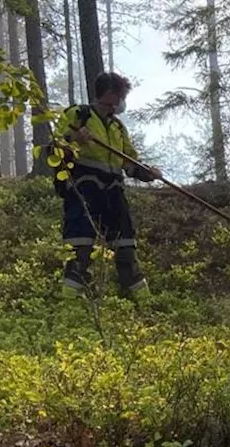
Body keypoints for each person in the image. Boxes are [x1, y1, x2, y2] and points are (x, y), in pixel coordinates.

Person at [51, 72, 163, 297]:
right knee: (80, 247)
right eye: (118, 96)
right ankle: (70, 303)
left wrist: (146, 173)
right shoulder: (77, 115)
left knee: (126, 247)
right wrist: (74, 139)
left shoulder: (118, 128)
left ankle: (141, 302)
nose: (119, 102)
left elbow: (128, 162)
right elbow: (54, 149)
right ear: (108, 94)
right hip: (84, 190)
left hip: (114, 193)